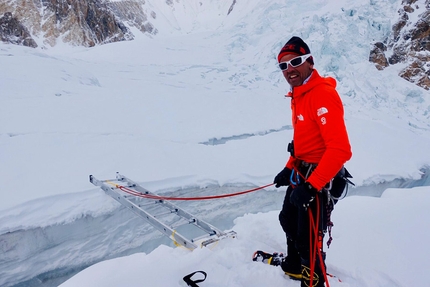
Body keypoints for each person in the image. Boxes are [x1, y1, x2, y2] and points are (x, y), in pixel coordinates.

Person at [273, 36, 352, 287]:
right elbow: (303, 141)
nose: (290, 70)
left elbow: (339, 150)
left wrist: (311, 186)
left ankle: (313, 279)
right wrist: (288, 168)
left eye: (295, 62)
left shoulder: (322, 95)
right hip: (302, 173)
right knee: (287, 219)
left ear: (310, 62)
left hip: (319, 179)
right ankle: (296, 266)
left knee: (309, 238)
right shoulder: (299, 95)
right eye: (284, 66)